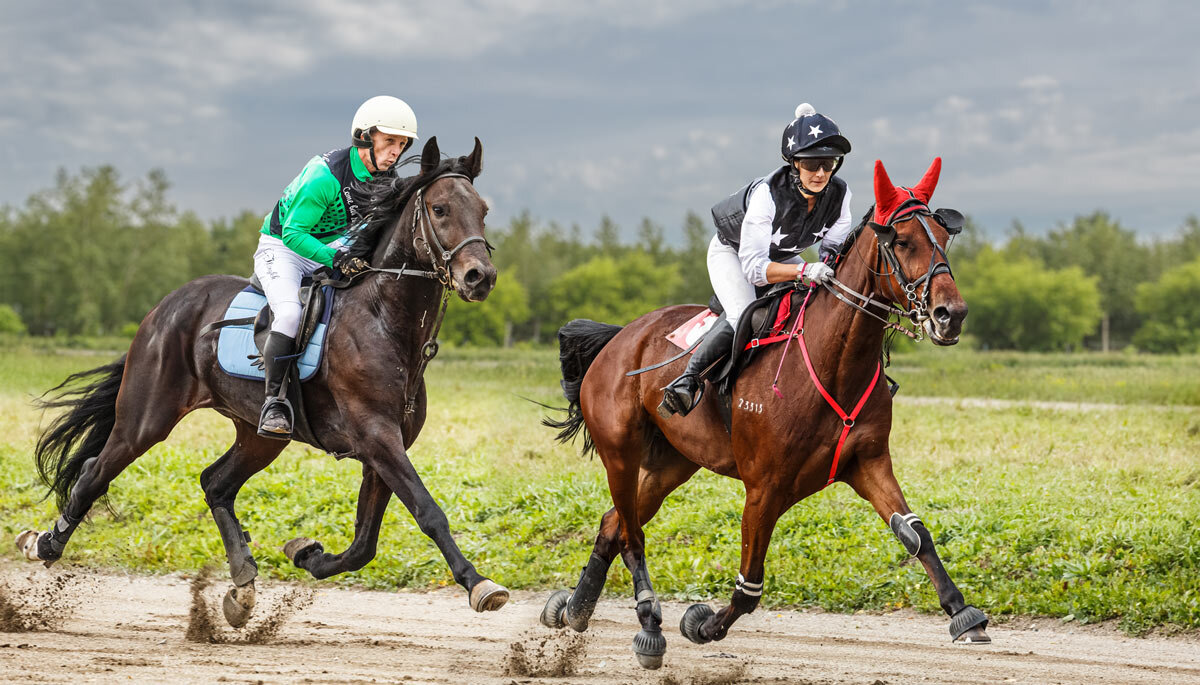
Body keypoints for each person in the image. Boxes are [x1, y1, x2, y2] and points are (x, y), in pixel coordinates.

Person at [658, 103, 855, 418]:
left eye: (829, 163)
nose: (821, 173)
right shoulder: (768, 194)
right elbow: (754, 270)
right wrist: (805, 270)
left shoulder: (840, 194)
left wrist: (827, 271)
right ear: (794, 163)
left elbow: (833, 246)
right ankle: (687, 380)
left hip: (781, 255)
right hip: (734, 254)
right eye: (812, 164)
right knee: (741, 315)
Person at [253, 95, 418, 438]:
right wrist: (337, 259)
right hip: (283, 248)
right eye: (389, 142)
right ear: (364, 137)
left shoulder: (386, 178)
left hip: (331, 247)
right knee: (288, 315)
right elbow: (295, 235)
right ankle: (274, 402)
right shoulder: (323, 176)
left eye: (401, 145)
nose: (395, 152)